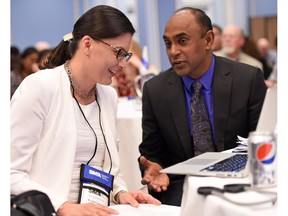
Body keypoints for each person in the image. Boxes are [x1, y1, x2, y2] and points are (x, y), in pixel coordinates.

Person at [11, 5, 160, 216]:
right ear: (88, 44)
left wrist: (120, 192)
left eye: (125, 55)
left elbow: (106, 167)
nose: (123, 64)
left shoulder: (108, 96)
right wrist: (62, 206)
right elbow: (10, 172)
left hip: (97, 209)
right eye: (118, 53)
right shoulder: (40, 87)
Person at [138, 7, 267, 206]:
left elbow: (262, 142)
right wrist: (155, 168)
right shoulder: (155, 90)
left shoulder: (247, 79)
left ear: (208, 40)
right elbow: (152, 153)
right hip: (182, 188)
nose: (173, 51)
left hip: (240, 183)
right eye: (167, 43)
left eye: (182, 41)